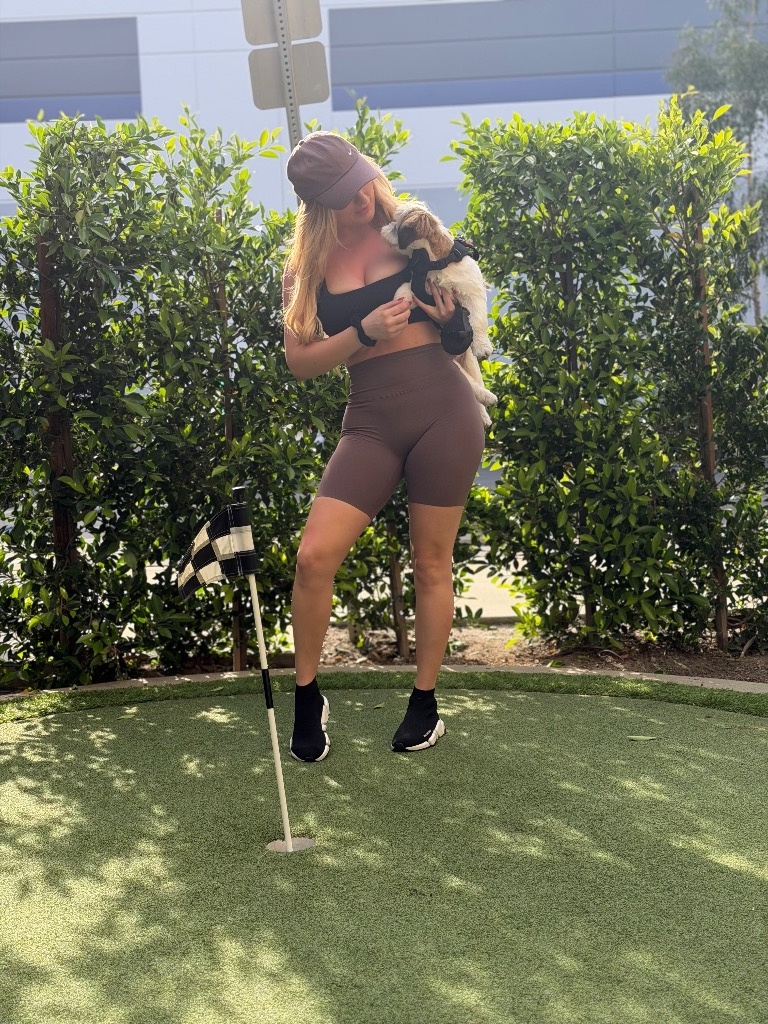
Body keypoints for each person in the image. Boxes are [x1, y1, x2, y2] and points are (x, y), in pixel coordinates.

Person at [282, 131, 486, 761]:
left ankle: (424, 703)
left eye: (361, 182)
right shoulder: (307, 268)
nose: (361, 199)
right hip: (370, 419)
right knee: (314, 557)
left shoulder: (413, 233)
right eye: (343, 195)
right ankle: (307, 695)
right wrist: (363, 333)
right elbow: (301, 362)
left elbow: (468, 330)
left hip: (446, 410)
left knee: (431, 563)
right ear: (318, 204)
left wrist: (451, 320)